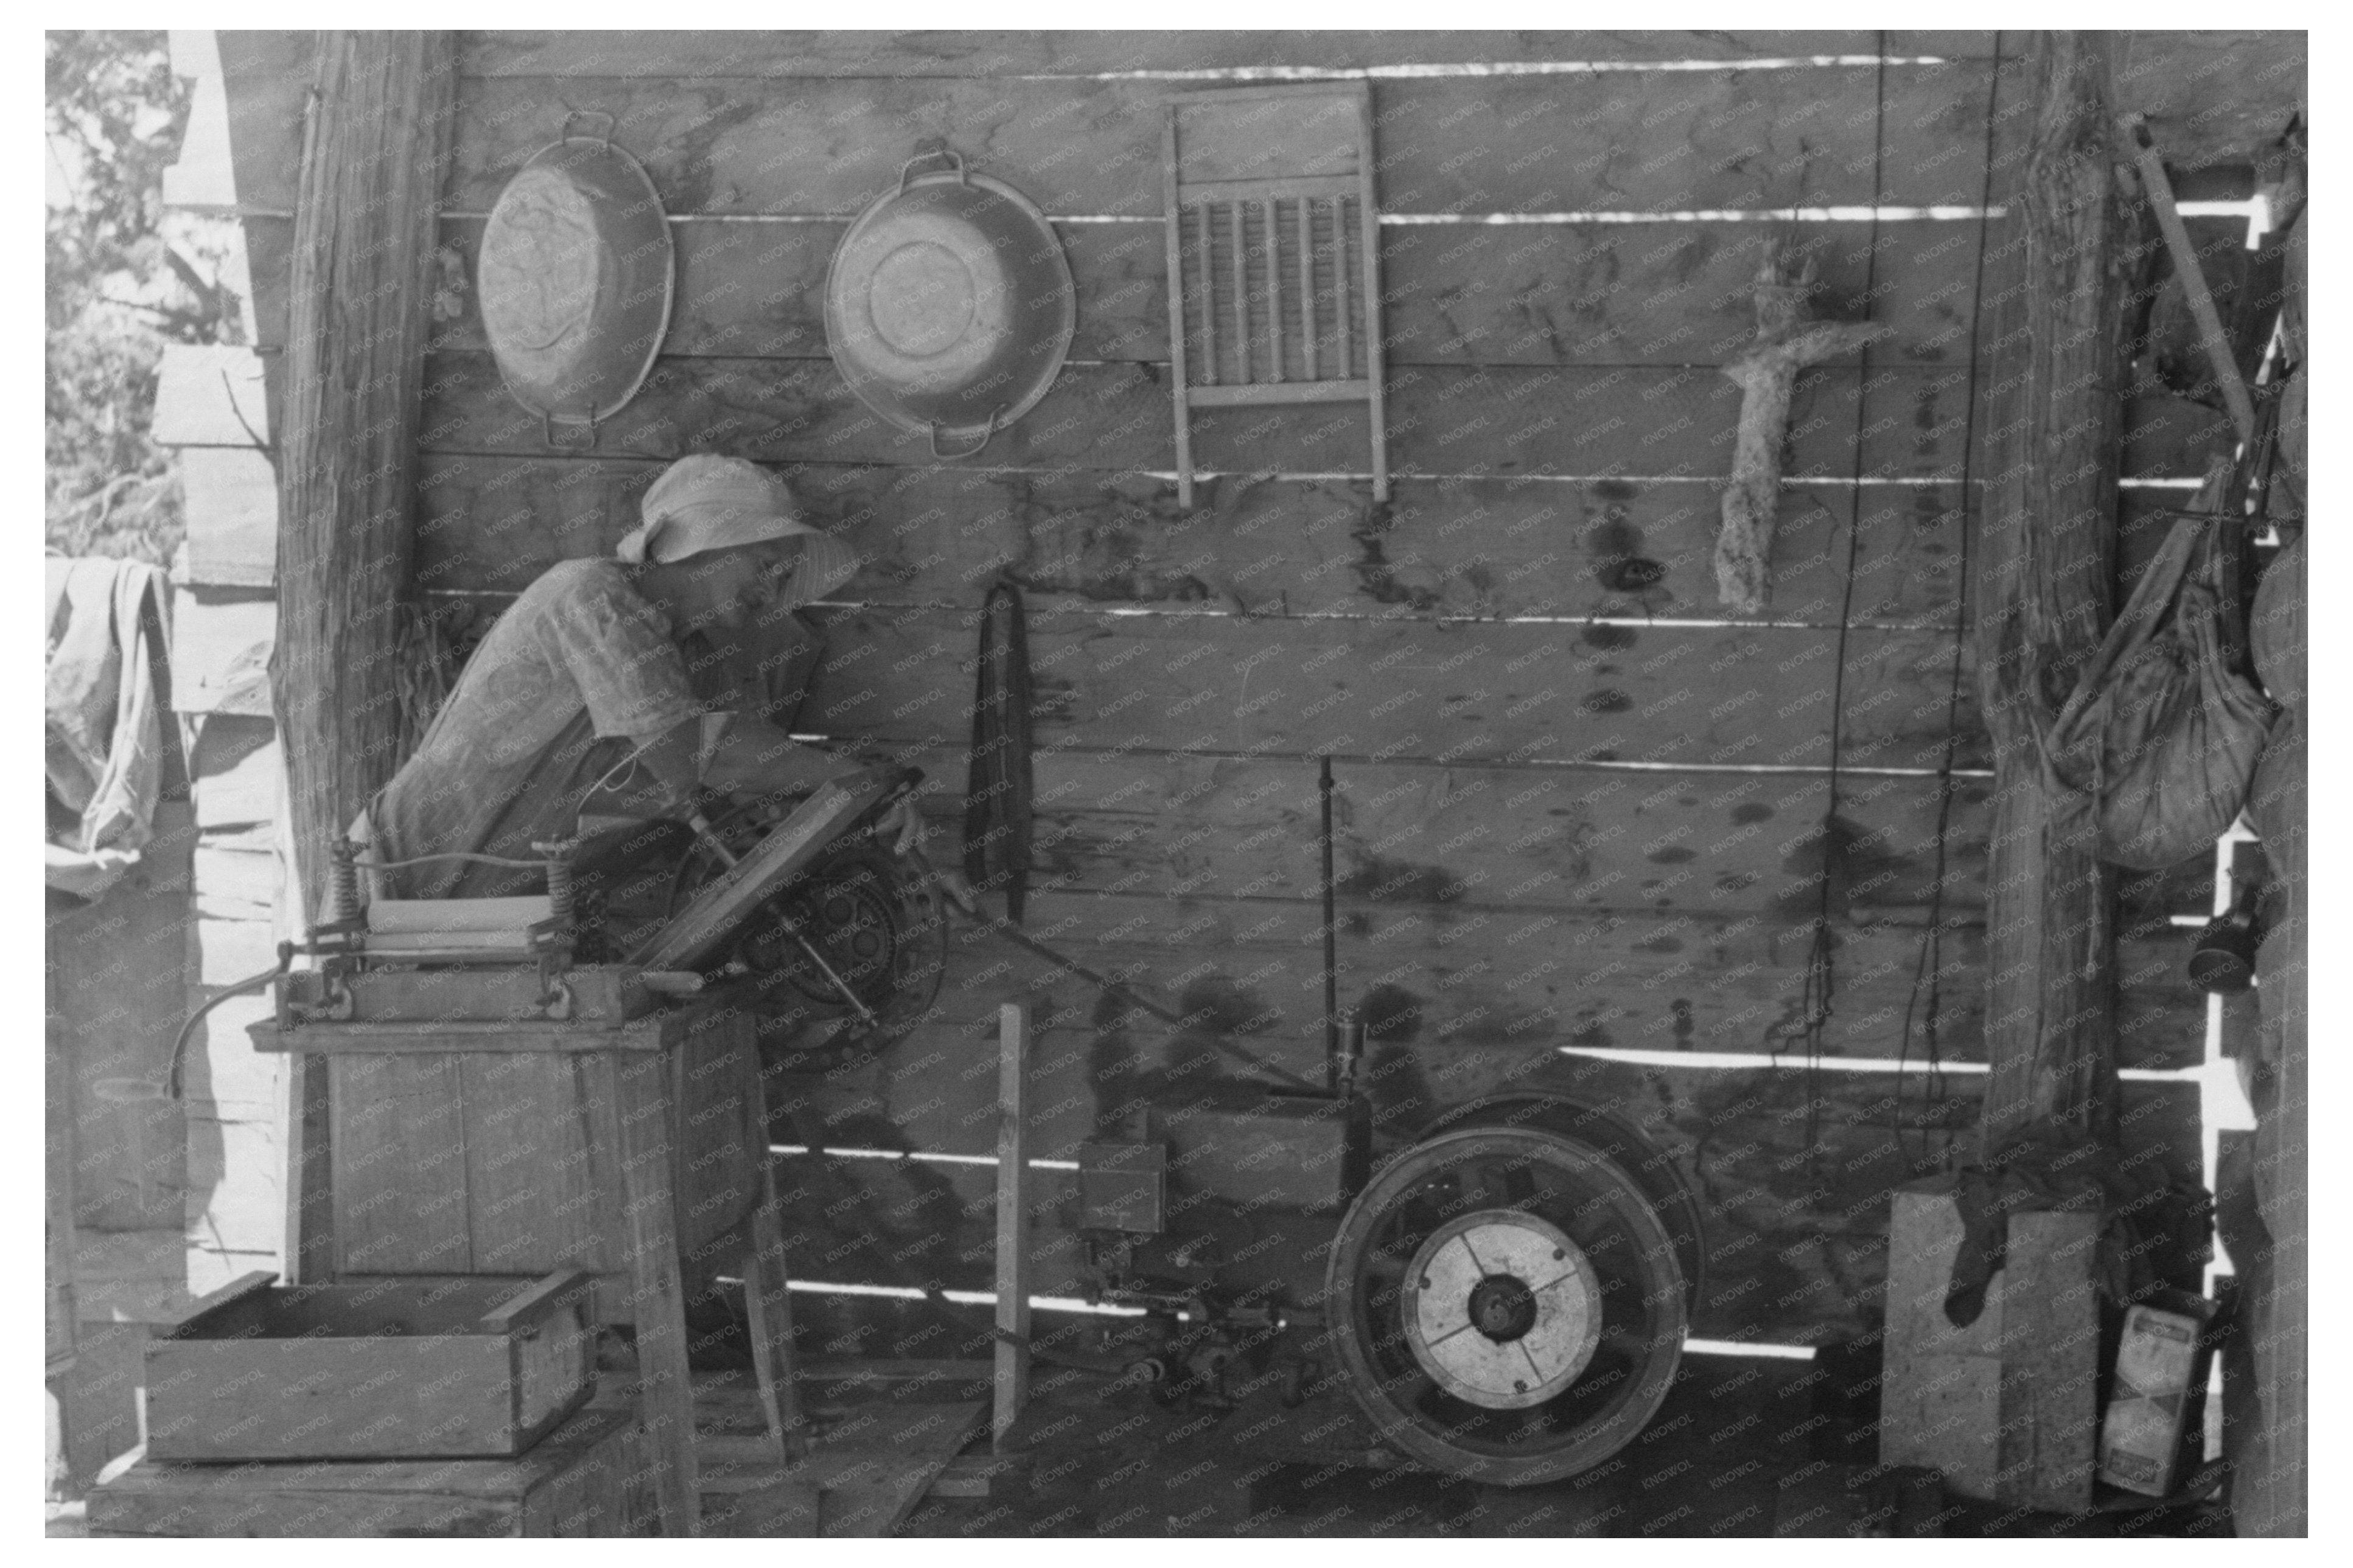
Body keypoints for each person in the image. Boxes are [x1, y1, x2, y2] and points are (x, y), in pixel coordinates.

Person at [361, 453, 909, 905]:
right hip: (391, 892)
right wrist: (859, 782)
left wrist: (885, 833)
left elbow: (744, 779)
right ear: (697, 544)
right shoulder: (591, 596)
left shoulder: (693, 658)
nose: (772, 589)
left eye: (784, 575)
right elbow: (692, 755)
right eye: (763, 563)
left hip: (499, 918)